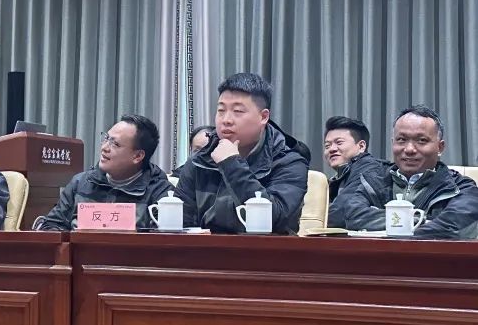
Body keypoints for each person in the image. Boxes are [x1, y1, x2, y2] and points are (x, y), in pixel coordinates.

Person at [173, 73, 309, 234]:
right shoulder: (199, 160)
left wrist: (231, 164)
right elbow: (180, 222)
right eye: (221, 110)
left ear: (263, 117)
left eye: (237, 111)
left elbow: (275, 220)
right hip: (206, 248)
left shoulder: (289, 162)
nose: (226, 120)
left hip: (265, 249)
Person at [337, 106, 478, 239]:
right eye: (401, 140)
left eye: (421, 140)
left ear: (440, 147)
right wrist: (422, 220)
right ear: (393, 143)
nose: (409, 149)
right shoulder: (372, 181)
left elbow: (453, 227)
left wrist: (386, 223)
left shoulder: (462, 188)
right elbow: (352, 216)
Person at [34, 115, 173, 231]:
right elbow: (51, 226)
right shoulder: (81, 183)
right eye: (106, 139)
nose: (105, 148)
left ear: (137, 156)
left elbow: (164, 242)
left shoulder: (160, 193)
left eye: (115, 144)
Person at [323, 116, 387, 227]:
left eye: (339, 142)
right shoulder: (340, 176)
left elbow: (340, 213)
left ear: (361, 146)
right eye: (327, 145)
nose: (332, 149)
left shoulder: (369, 169)